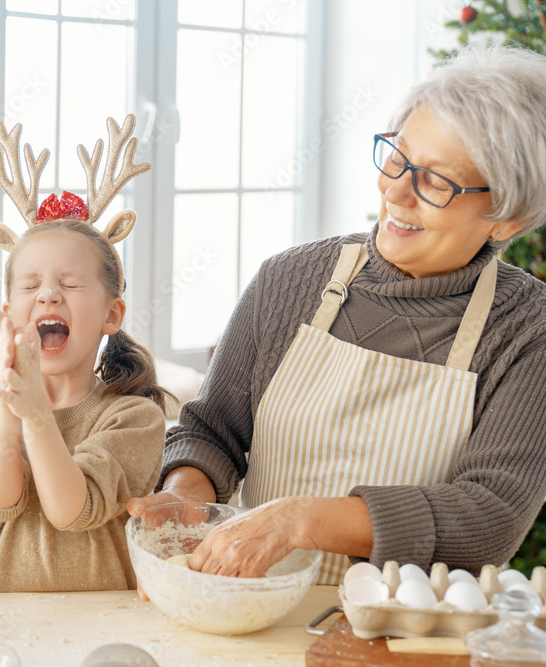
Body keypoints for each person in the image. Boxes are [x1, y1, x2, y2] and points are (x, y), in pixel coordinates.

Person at [129, 46, 546, 586]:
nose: (394, 192)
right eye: (396, 159)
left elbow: (488, 516)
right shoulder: (289, 280)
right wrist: (184, 496)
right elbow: (213, 430)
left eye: (435, 181)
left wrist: (299, 519)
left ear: (507, 218)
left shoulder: (526, 330)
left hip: (398, 637)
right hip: (253, 606)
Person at [0, 116, 170, 593]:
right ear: (9, 311)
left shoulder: (134, 417)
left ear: (112, 315)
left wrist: (38, 417)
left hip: (99, 630)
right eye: (31, 285)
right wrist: (11, 400)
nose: (48, 295)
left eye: (69, 284)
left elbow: (72, 510)